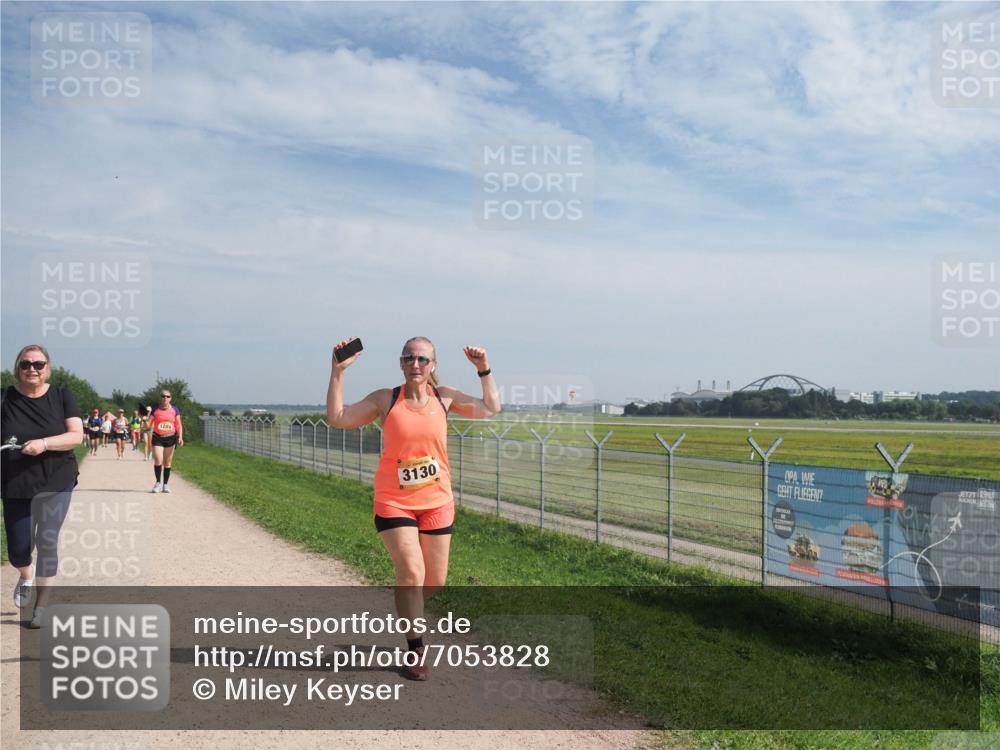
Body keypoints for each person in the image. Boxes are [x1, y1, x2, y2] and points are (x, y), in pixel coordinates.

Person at [326, 336, 499, 680]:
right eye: (409, 359)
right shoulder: (386, 399)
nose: (415, 364)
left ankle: (408, 607)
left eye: (422, 359)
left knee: (433, 582)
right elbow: (338, 418)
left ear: (433, 365)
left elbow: (490, 408)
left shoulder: (444, 397)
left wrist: (484, 370)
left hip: (437, 501)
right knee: (411, 572)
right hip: (394, 501)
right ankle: (416, 648)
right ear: (401, 364)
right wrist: (338, 373)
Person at [0, 345, 84, 628]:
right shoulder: (4, 399)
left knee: (47, 540)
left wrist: (45, 444)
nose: (32, 369)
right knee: (18, 548)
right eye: (26, 364)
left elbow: (76, 436)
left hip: (56, 478)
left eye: (39, 364)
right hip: (15, 482)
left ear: (48, 367)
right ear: (17, 368)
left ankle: (42, 607)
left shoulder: (62, 396)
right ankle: (26, 575)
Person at [149, 390, 183, 493]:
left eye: (167, 396)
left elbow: (178, 425)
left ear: (170, 398)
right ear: (160, 397)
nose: (165, 398)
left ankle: (165, 485)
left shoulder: (175, 410)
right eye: (163, 396)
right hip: (157, 437)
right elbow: (148, 424)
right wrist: (146, 419)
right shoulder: (155, 410)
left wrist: (180, 437)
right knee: (158, 460)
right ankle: (158, 483)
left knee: (167, 462)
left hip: (170, 438)